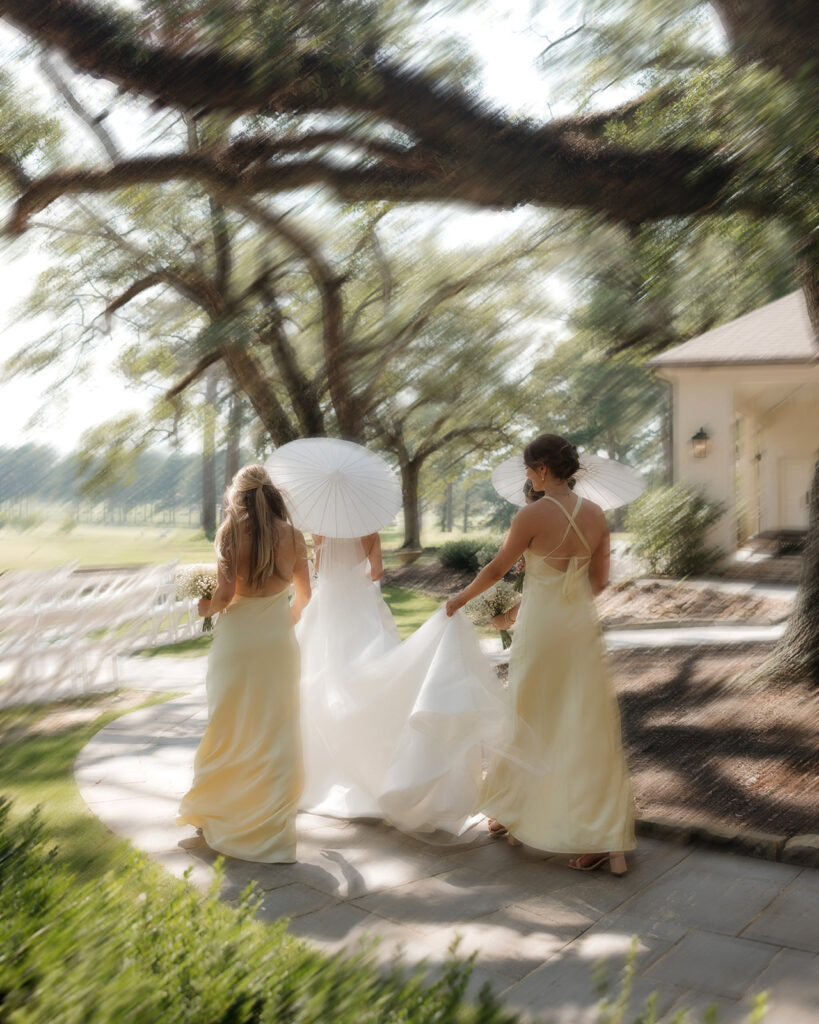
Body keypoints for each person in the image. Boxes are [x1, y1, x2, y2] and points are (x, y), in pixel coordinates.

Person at [446, 434, 635, 875]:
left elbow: (495, 570)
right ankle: (606, 839)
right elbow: (598, 583)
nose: (528, 477)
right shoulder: (595, 515)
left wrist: (459, 599)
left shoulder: (532, 514)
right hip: (580, 631)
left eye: (529, 470)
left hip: (542, 633)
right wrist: (539, 603)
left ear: (543, 471)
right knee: (587, 727)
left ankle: (520, 811)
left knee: (531, 716)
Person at [177, 464, 311, 863]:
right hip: (277, 644)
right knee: (275, 731)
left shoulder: (231, 533)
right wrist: (277, 626)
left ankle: (216, 810)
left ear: (238, 495)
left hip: (236, 643)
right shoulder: (295, 536)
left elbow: (224, 595)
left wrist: (205, 607)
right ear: (271, 494)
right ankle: (271, 826)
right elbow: (304, 600)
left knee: (228, 726)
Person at [297, 532, 400, 818]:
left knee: (316, 674)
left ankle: (321, 761)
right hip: (360, 605)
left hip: (328, 607)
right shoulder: (369, 532)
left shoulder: (322, 531)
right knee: (365, 675)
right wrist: (357, 581)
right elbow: (377, 571)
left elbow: (319, 569)